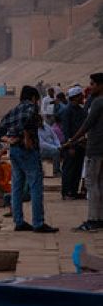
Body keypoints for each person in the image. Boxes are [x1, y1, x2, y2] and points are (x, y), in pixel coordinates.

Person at [0, 85, 57, 233]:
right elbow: (28, 120)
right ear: (33, 98)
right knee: (35, 186)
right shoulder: (31, 107)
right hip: (28, 152)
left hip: (15, 151)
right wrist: (25, 136)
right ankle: (38, 223)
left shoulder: (13, 110)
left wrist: (9, 139)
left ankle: (19, 221)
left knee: (17, 187)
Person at [63, 73, 103, 232]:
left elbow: (88, 123)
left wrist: (73, 139)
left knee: (92, 184)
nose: (90, 87)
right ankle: (100, 219)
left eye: (93, 84)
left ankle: (93, 219)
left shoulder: (98, 102)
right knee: (100, 184)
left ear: (100, 85)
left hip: (95, 149)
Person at [61, 86, 88, 201]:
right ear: (76, 97)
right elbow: (66, 130)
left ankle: (73, 191)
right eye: (81, 96)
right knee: (69, 169)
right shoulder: (67, 111)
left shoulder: (81, 110)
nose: (83, 97)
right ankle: (67, 192)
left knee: (77, 169)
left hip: (80, 145)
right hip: (71, 146)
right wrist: (70, 145)